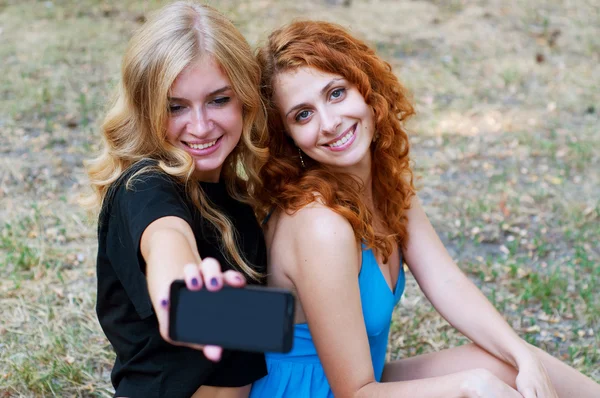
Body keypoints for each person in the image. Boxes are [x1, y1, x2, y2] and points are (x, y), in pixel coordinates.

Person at [248, 20, 600, 397]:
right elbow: (356, 392)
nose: (330, 123)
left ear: (365, 87)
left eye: (336, 93)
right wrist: (467, 386)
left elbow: (446, 283)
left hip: (368, 381)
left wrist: (521, 354)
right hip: (324, 392)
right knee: (479, 382)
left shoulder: (382, 183)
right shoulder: (319, 225)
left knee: (506, 363)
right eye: (303, 115)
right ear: (289, 139)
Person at [84, 2, 270, 397]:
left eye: (219, 100)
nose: (201, 126)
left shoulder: (233, 198)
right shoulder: (144, 185)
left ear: (246, 98)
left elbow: (264, 330)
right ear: (147, 108)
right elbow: (166, 238)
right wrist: (182, 295)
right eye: (175, 107)